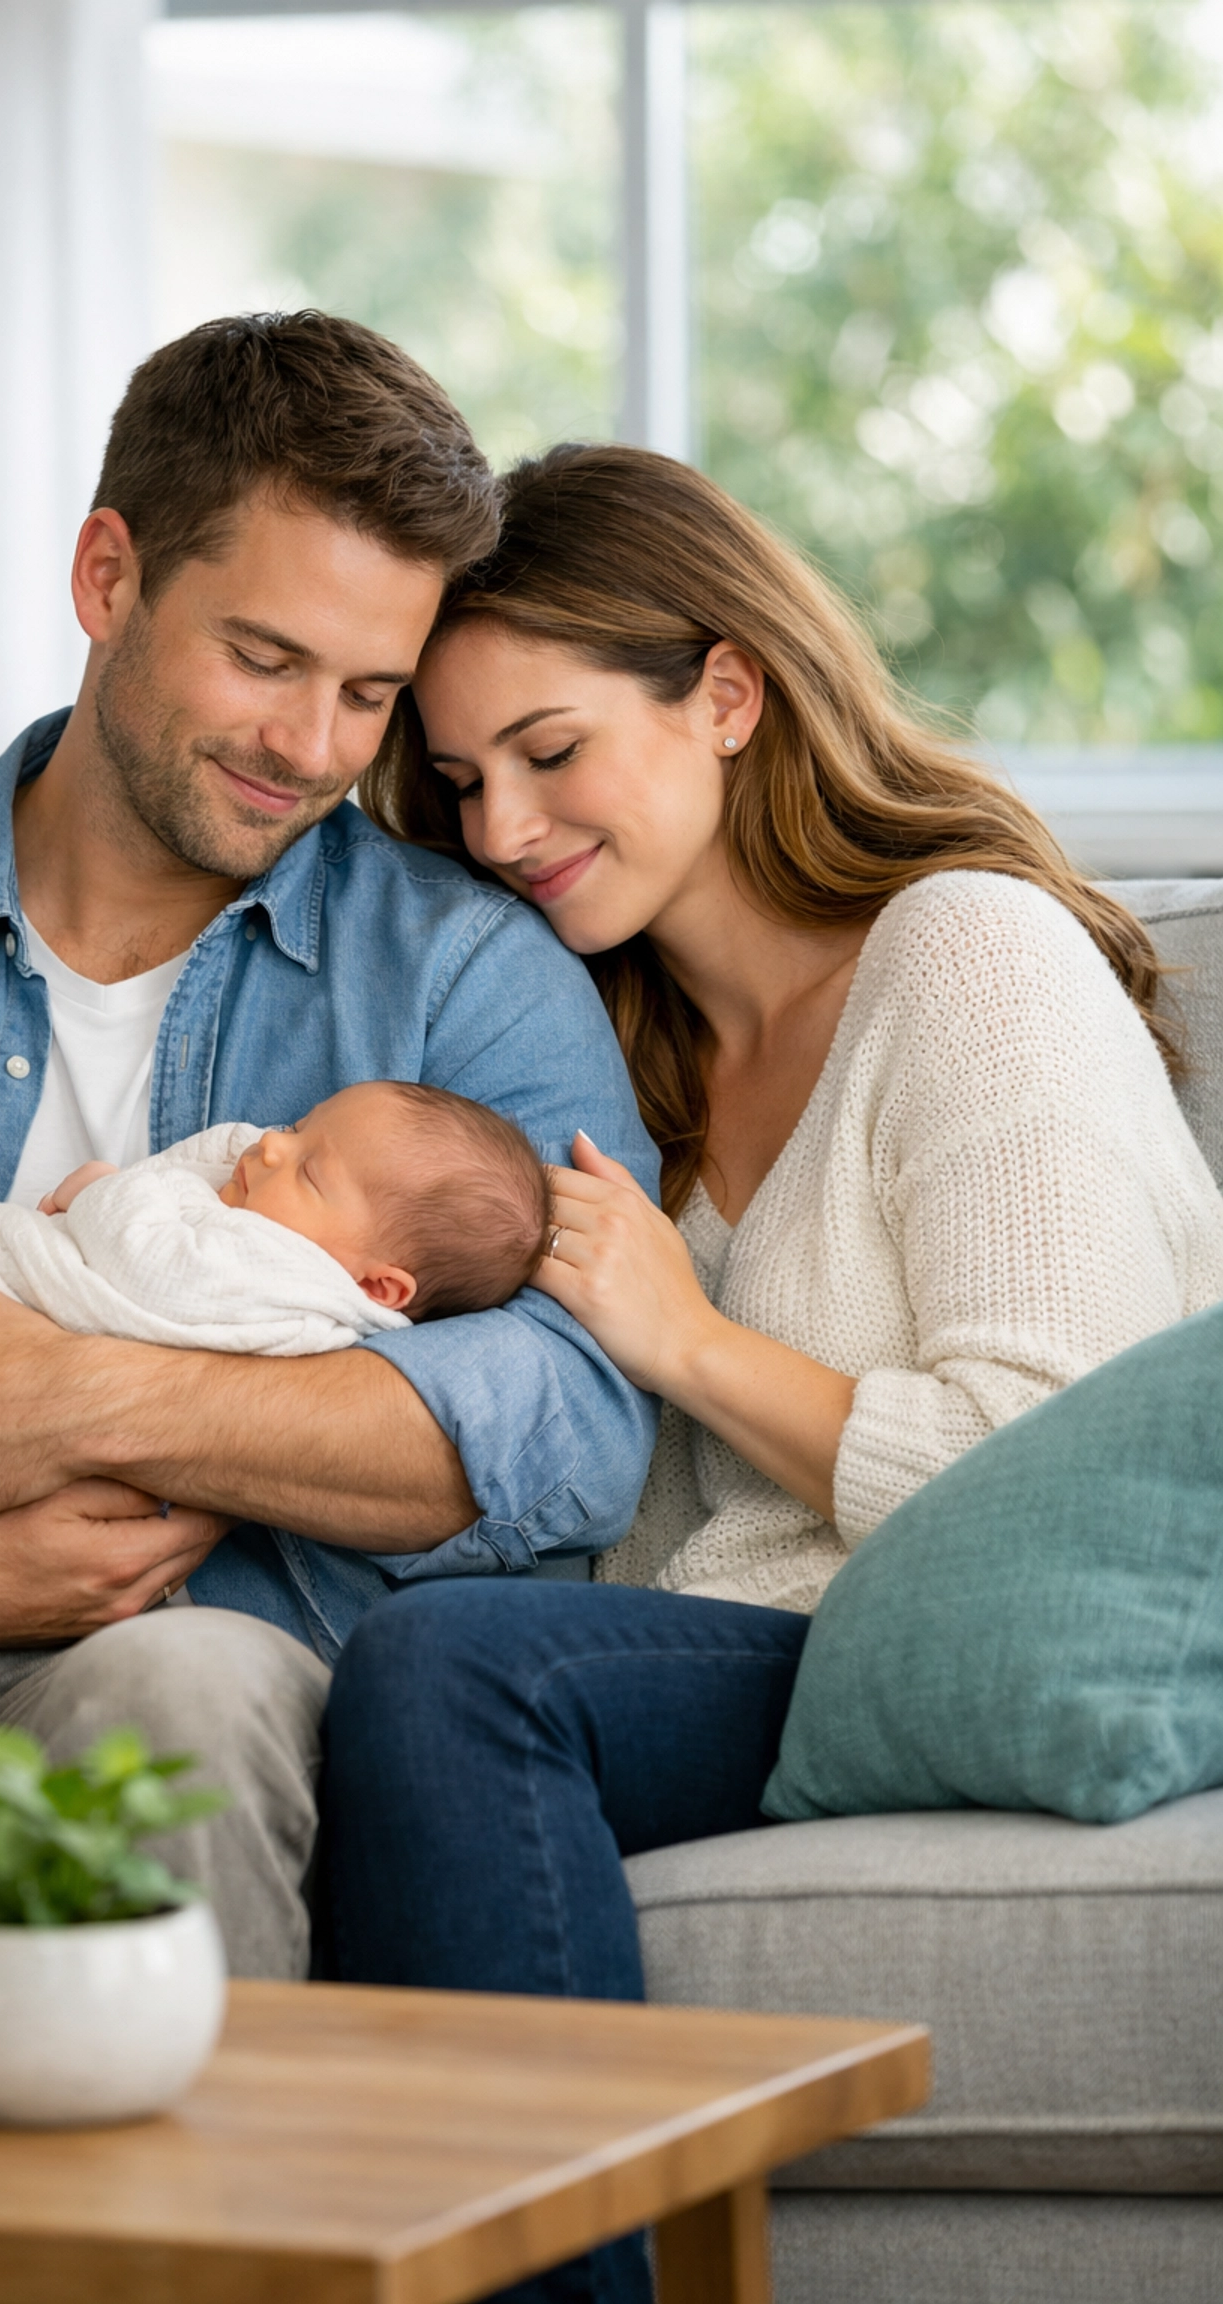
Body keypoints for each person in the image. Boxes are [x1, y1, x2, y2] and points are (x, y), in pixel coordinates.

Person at [324, 442, 1223, 2304]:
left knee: (453, 1675)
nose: (499, 828)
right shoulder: (611, 1065)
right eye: (465, 778)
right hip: (720, 1647)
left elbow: (1035, 1469)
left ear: (727, 691)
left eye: (553, 751)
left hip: (924, 1638)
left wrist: (689, 1340)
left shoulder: (963, 955)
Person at [0, 324, 657, 1983]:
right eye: (264, 657)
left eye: (367, 693)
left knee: (185, 1696)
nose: (311, 746)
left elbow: (572, 1418)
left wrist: (90, 1399)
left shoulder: (461, 974)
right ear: (107, 573)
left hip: (174, 1668)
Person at [0, 1083, 552, 1435]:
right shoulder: (293, 1243)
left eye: (307, 1167)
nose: (265, 1143)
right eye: (297, 1124)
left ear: (378, 1284)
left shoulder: (285, 1286)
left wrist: (102, 1192)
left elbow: (144, 1267)